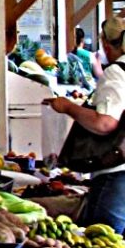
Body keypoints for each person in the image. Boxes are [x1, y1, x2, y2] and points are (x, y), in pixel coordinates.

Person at [45, 15, 125, 232]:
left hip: (118, 173)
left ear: (107, 46)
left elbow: (105, 122)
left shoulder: (117, 73)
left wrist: (68, 107)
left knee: (108, 242)